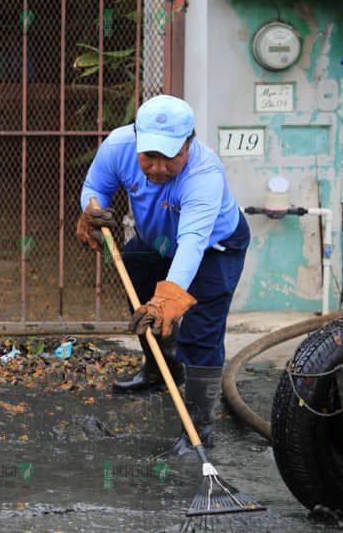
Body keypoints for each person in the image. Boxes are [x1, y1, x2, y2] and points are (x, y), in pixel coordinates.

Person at [76, 95, 250, 455]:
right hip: (154, 240)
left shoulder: (204, 175)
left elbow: (191, 243)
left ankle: (199, 429)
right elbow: (96, 188)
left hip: (212, 249)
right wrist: (92, 211)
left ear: (189, 144)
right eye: (148, 156)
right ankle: (159, 371)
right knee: (141, 300)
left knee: (201, 332)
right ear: (137, 139)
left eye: (168, 157)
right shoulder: (119, 145)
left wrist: (168, 297)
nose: (156, 167)